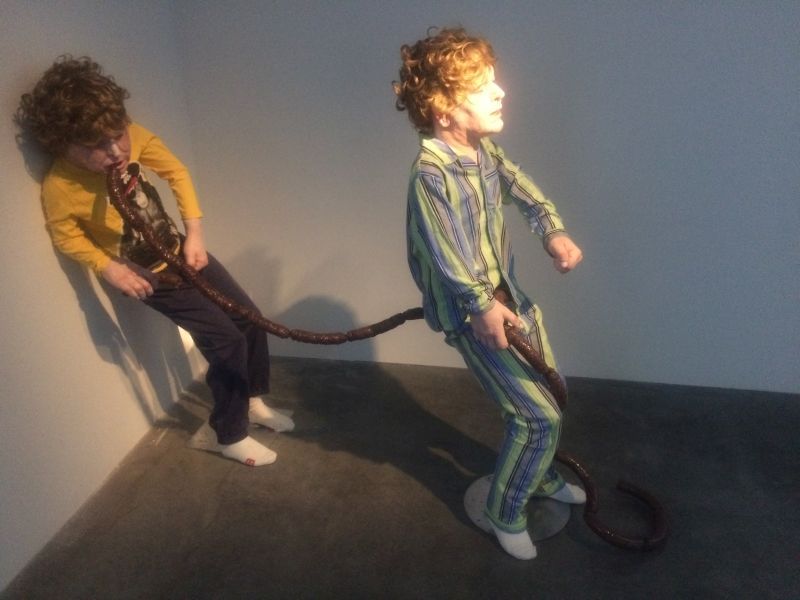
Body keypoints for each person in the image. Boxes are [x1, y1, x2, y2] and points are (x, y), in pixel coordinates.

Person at [17, 56, 293, 467]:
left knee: (248, 319)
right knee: (225, 340)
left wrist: (194, 233)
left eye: (117, 135)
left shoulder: (135, 137)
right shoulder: (61, 186)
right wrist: (109, 268)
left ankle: (251, 400)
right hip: (150, 276)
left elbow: (176, 172)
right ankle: (229, 433)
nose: (115, 151)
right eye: (95, 146)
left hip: (181, 250)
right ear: (63, 145)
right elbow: (65, 235)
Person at [393, 27, 586, 560]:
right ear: (443, 108)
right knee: (536, 416)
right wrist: (481, 307)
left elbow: (523, 189)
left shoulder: (484, 154)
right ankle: (505, 510)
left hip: (510, 299)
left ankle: (539, 475)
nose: (500, 92)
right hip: (473, 314)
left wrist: (552, 230)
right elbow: (449, 253)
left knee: (551, 394)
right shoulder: (431, 173)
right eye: (482, 87)